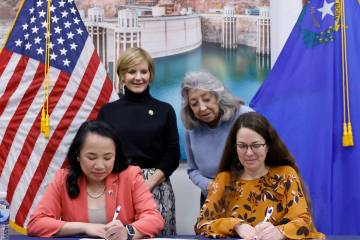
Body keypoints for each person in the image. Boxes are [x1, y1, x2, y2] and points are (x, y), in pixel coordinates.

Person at [195, 112, 325, 240]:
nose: (249, 153)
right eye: (242, 146)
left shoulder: (286, 174)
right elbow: (202, 224)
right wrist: (236, 225)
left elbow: (304, 221)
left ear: (268, 146)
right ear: (235, 147)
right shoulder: (224, 179)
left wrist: (279, 232)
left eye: (256, 145)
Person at [27, 120, 164, 239]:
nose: (99, 166)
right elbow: (36, 223)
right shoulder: (63, 178)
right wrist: (85, 227)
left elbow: (154, 218)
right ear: (78, 155)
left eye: (107, 158)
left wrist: (128, 232)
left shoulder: (130, 176)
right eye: (91, 157)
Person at [98, 47, 180, 235]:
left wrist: (147, 184)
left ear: (150, 75)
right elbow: (101, 153)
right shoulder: (108, 111)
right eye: (131, 71)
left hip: (156, 187)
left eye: (144, 71)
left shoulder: (165, 110)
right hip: (117, 186)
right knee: (117, 236)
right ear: (121, 75)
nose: (138, 77)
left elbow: (172, 155)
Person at [180, 71, 252, 205]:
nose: (202, 108)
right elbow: (192, 170)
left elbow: (264, 159)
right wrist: (210, 186)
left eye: (207, 99)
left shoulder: (245, 116)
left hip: (247, 196)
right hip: (211, 197)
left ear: (218, 97)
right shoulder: (190, 129)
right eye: (194, 104)